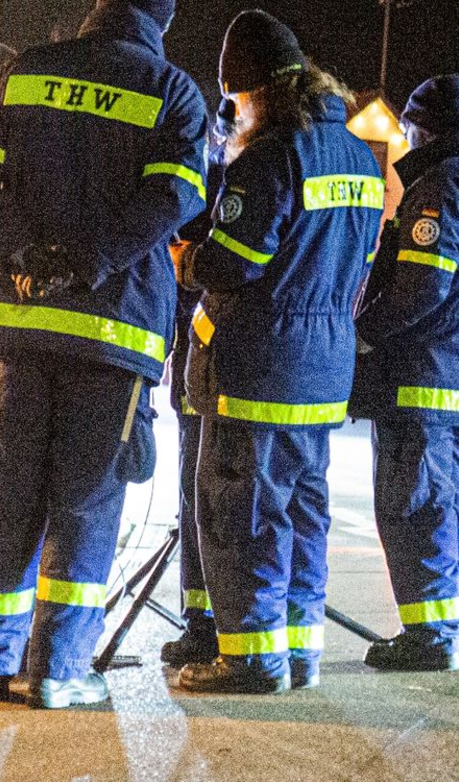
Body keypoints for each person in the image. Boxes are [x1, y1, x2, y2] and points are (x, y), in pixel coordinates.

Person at [0, 0, 207, 708]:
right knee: (86, 507)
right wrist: (90, 261)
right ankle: (59, 671)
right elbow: (177, 194)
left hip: (15, 328)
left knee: (5, 495)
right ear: (162, 20)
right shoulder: (173, 92)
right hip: (111, 336)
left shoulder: (21, 73)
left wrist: (17, 251)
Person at [173, 10, 384, 694]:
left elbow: (235, 262)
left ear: (253, 88)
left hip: (259, 364)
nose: (232, 113)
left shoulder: (272, 156)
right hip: (324, 366)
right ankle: (297, 653)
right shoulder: (356, 154)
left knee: (244, 515)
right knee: (300, 513)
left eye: (234, 100)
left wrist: (187, 259)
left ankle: (250, 657)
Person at [350, 74, 459, 671]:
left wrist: (362, 333)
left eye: (408, 127)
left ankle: (430, 637)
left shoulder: (441, 186)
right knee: (445, 501)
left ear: (424, 126)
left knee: (411, 503)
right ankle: (449, 624)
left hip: (418, 370)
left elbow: (423, 287)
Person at [159, 97, 235, 669]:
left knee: (200, 496)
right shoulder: (262, 172)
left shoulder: (225, 184)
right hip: (224, 364)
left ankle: (204, 622)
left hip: (208, 363)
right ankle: (209, 618)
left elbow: (188, 268)